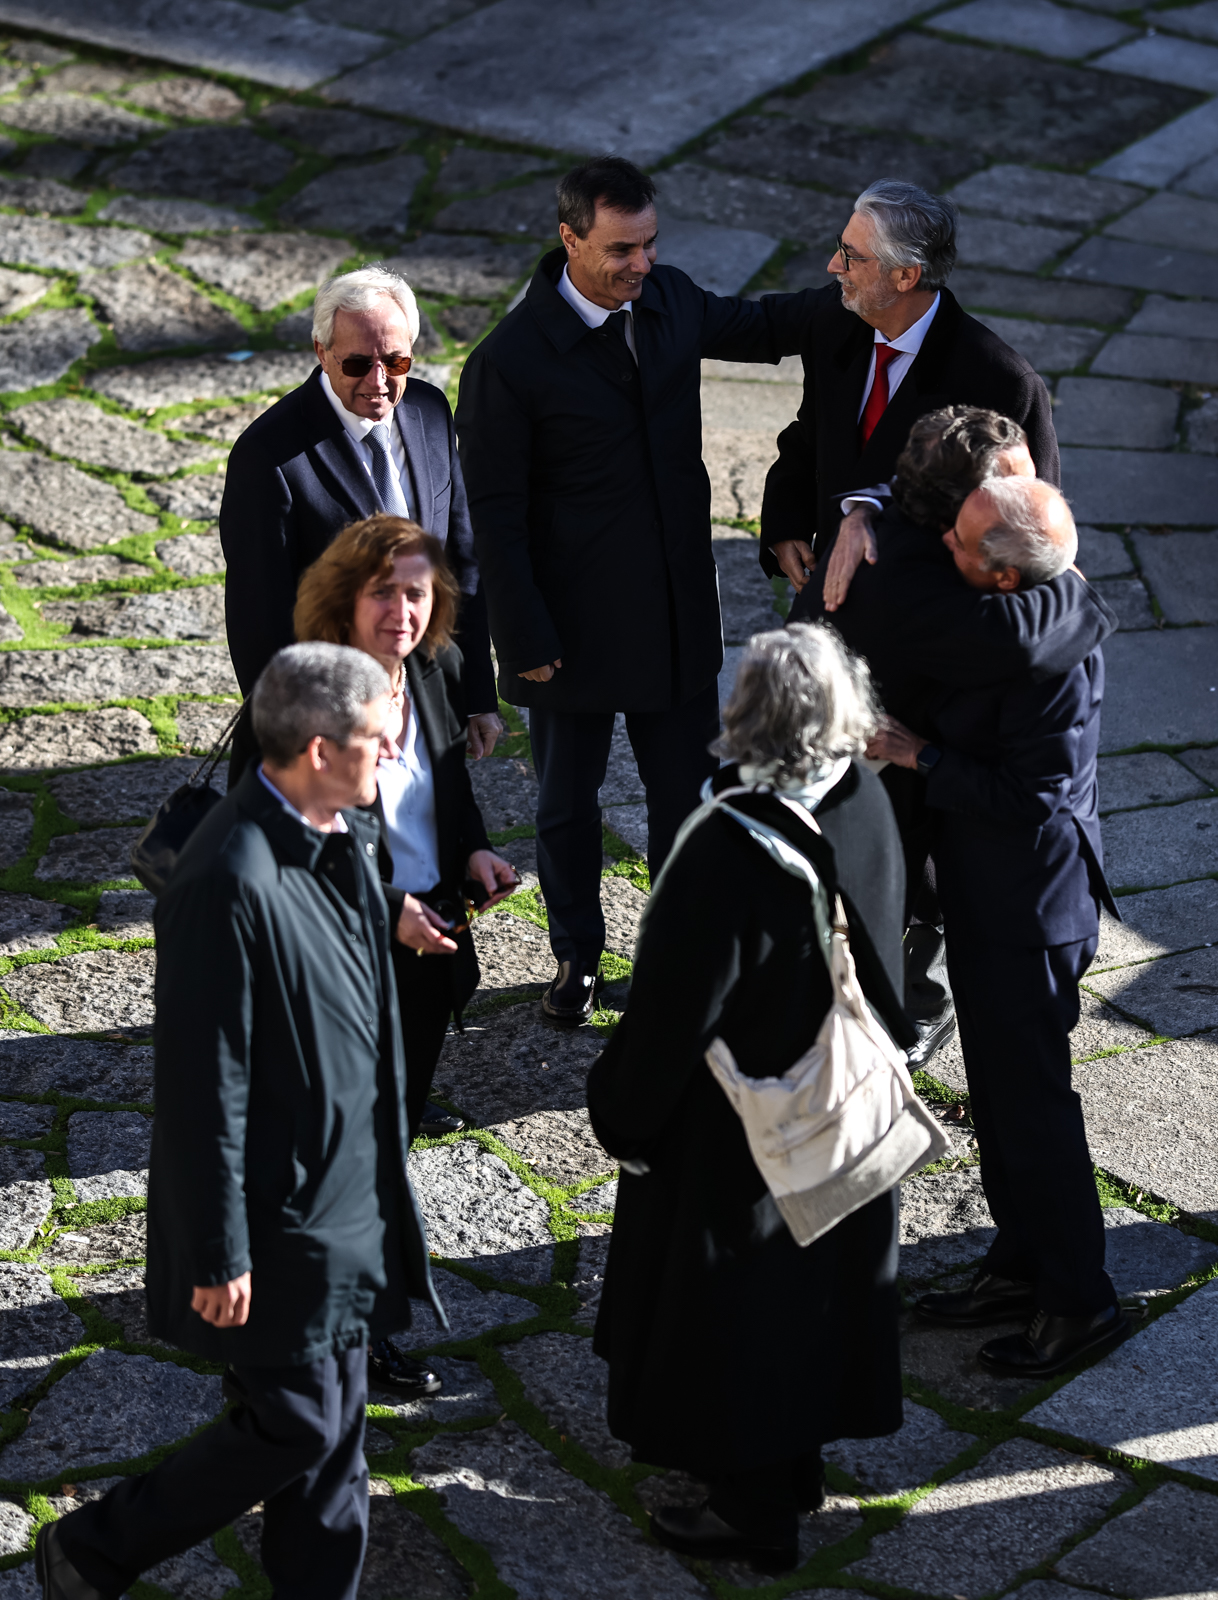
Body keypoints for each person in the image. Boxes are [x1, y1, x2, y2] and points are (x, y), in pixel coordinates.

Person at [36, 643, 444, 1600]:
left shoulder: (337, 830)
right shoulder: (224, 880)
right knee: (299, 1424)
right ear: (315, 749)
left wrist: (390, 914)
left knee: (336, 1435)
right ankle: (96, 1548)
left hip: (345, 1193)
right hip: (277, 1212)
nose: (392, 760)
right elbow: (200, 1088)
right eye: (377, 744)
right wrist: (220, 1252)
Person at [587, 624, 915, 1573]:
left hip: (743, 1142)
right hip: (838, 1112)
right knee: (812, 1314)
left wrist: (621, 1113)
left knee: (746, 1328)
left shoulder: (728, 851)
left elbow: (669, 1018)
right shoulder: (862, 800)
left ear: (746, 720)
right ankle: (794, 1468)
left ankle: (753, 1510)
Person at [456, 155, 805, 1024]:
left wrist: (874, 295)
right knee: (565, 805)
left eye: (649, 244)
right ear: (569, 239)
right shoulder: (509, 362)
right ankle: (576, 957)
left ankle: (679, 955)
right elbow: (492, 517)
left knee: (683, 799)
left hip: (675, 619)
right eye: (620, 249)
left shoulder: (670, 298)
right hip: (566, 628)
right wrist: (523, 637)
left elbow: (761, 325)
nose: (639, 265)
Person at [868, 477, 1129, 1377]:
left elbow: (1034, 798)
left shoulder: (1053, 661)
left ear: (1007, 579)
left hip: (1030, 913)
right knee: (1002, 1103)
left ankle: (1080, 1301)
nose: (947, 545)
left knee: (1035, 1114)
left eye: (964, 544)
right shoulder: (1017, 610)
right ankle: (1019, 1265)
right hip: (988, 901)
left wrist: (918, 755)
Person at [798, 407, 1112, 1069]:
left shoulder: (890, 522)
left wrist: (860, 506)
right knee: (854, 930)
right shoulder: (922, 585)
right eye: (1010, 491)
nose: (1034, 500)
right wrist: (1079, 585)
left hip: (849, 759)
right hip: (850, 785)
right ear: (957, 513)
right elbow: (1025, 639)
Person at [220, 265, 502, 782]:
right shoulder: (269, 457)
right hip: (333, 727)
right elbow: (258, 620)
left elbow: (460, 563)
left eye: (395, 361)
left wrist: (477, 694)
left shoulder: (430, 411)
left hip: (428, 708)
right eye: (356, 363)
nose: (378, 382)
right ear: (320, 352)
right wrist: (305, 739)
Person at [294, 513, 518, 1148]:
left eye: (416, 593)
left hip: (429, 934)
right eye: (381, 592)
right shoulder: (306, 697)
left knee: (395, 1119)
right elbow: (290, 848)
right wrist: (388, 909)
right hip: (343, 947)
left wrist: (473, 848)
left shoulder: (433, 669)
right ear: (344, 598)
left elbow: (449, 778)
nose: (402, 610)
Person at [760, 180, 1059, 610]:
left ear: (905, 275)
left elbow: (1028, 533)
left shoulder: (1001, 382)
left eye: (851, 256)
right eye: (839, 247)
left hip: (925, 622)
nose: (832, 266)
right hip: (827, 601)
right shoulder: (836, 327)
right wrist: (786, 523)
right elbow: (811, 438)